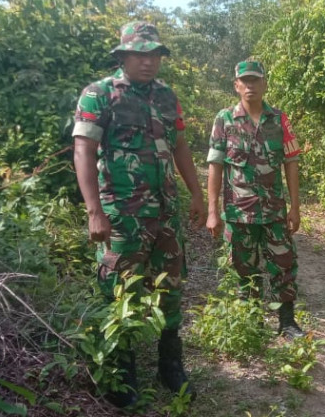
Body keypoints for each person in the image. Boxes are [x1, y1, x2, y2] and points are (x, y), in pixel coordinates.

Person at [72, 21, 205, 407]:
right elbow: (84, 151)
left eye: (154, 55)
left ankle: (171, 365)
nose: (148, 62)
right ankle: (121, 371)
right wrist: (94, 211)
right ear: (123, 56)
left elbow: (180, 145)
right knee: (118, 290)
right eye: (140, 55)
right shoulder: (99, 94)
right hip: (121, 215)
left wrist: (196, 194)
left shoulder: (167, 96)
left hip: (165, 212)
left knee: (171, 287)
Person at [205, 59, 306, 340]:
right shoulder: (224, 120)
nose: (250, 86)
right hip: (238, 213)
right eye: (245, 81)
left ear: (264, 84)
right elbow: (215, 166)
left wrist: (295, 207)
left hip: (274, 212)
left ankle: (287, 322)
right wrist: (212, 211)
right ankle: (251, 323)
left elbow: (292, 162)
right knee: (242, 268)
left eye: (255, 80)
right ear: (236, 85)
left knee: (284, 265)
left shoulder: (279, 120)